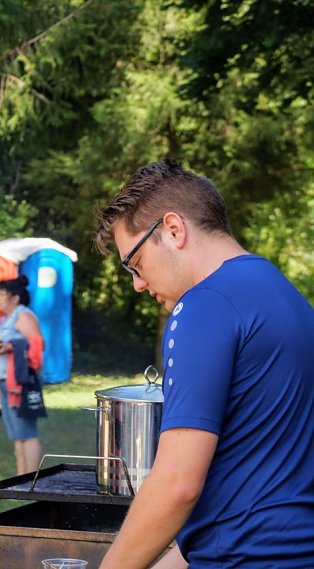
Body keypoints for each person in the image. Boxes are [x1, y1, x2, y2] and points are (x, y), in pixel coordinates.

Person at [94, 160, 314, 568]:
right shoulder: (284, 296)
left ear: (173, 230)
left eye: (135, 263)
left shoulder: (203, 306)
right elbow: (242, 497)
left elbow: (177, 484)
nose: (138, 284)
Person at [0, 275, 45, 476]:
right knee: (18, 435)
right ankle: (22, 481)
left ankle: (31, 480)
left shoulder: (24, 317)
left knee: (27, 433)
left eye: (2, 295)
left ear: (15, 298)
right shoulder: (7, 320)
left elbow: (37, 347)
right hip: (6, 383)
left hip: (22, 382)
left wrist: (10, 347)